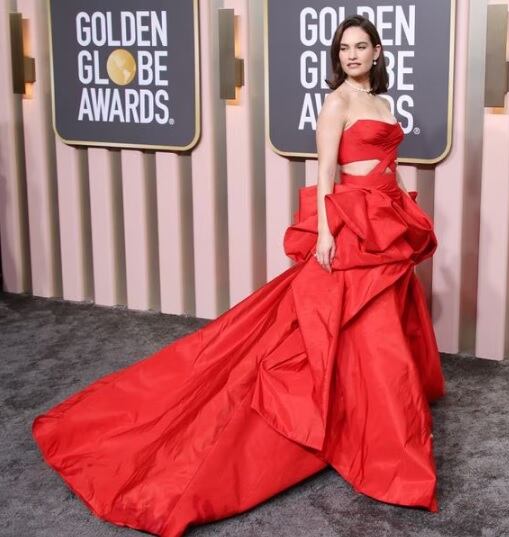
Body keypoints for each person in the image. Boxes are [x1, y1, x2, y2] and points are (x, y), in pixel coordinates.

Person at [31, 14, 445, 537]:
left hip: (384, 218)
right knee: (359, 334)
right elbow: (322, 175)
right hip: (350, 223)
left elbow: (389, 161)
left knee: (376, 331)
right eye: (344, 49)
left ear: (378, 52)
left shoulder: (381, 104)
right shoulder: (336, 102)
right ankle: (393, 454)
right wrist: (325, 231)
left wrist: (401, 207)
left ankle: (379, 431)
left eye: (361, 47)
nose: (353, 56)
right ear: (337, 56)